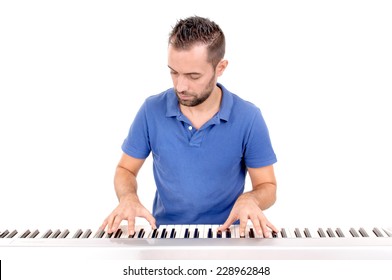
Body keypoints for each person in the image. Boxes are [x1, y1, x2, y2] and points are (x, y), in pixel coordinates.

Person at [101, 16, 278, 238]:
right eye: (174, 72)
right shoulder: (151, 110)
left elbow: (267, 185)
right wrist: (128, 198)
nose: (180, 86)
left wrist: (250, 199)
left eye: (193, 76)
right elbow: (125, 169)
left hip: (229, 236)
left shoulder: (249, 117)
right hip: (165, 236)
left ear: (220, 67)